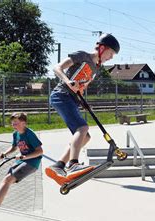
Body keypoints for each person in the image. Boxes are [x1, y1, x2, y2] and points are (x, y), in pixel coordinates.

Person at [45, 33, 120, 185]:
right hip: (61, 95)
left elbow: (82, 87)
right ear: (102, 48)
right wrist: (67, 81)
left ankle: (59, 165)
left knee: (85, 137)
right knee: (82, 127)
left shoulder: (96, 69)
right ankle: (73, 164)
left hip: (72, 99)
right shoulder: (82, 56)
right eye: (111, 53)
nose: (111, 57)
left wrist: (83, 101)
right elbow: (57, 67)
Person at [0, 112, 43, 206]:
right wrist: (4, 153)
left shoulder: (29, 134)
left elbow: (40, 151)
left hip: (32, 162)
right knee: (6, 180)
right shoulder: (16, 134)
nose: (13, 125)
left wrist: (25, 156)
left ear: (24, 123)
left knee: (8, 179)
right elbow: (14, 147)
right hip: (22, 160)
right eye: (12, 123)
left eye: (16, 123)